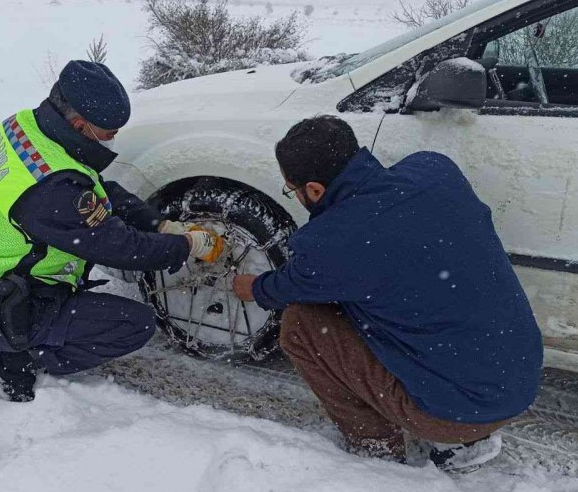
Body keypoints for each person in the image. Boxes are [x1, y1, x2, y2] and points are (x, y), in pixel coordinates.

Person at [232, 115, 543, 470]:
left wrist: (252, 286)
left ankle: (378, 449)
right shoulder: (435, 170)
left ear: (315, 190)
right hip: (521, 378)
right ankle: (466, 431)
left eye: (294, 189)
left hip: (459, 412)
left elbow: (285, 288)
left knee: (301, 325)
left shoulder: (331, 243)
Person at [0, 60, 224, 402]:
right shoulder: (50, 189)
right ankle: (12, 361)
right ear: (79, 124)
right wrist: (185, 244)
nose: (114, 137)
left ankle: (25, 334)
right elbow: (119, 247)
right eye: (108, 131)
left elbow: (97, 191)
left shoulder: (27, 128)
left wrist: (158, 223)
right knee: (133, 325)